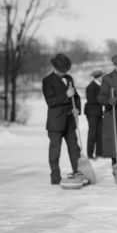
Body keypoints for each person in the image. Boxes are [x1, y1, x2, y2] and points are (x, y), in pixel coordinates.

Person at [42, 53, 81, 185]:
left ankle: (78, 172)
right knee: (55, 151)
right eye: (62, 70)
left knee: (74, 149)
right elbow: (50, 101)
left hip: (70, 122)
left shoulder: (69, 78)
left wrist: (77, 109)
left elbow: (76, 97)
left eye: (65, 70)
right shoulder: (47, 81)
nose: (64, 72)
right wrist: (66, 95)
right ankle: (55, 177)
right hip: (55, 123)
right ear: (56, 67)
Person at [85, 70, 104, 159]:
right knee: (92, 132)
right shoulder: (90, 87)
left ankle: (99, 153)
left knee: (100, 132)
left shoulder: (101, 86)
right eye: (101, 77)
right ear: (98, 77)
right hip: (92, 112)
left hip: (99, 112)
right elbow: (91, 100)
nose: (102, 78)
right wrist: (103, 100)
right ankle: (90, 153)